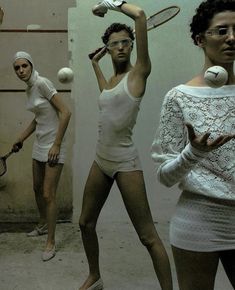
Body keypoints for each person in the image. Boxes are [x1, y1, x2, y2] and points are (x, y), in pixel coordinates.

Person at [78, 1, 173, 290]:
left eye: (125, 42)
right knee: (85, 223)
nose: (120, 47)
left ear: (132, 46)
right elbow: (108, 99)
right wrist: (95, 65)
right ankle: (95, 277)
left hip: (124, 163)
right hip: (101, 159)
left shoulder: (138, 74)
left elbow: (141, 15)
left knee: (148, 236)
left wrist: (110, 4)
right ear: (107, 48)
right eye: (114, 43)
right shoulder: (113, 81)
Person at [151, 0, 235, 289]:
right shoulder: (178, 97)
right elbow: (165, 176)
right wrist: (194, 152)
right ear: (200, 39)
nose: (232, 38)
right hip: (199, 222)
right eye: (221, 31)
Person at [12, 51, 71, 261]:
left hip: (54, 146)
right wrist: (22, 137)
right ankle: (43, 224)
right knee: (37, 187)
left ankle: (51, 242)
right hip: (39, 144)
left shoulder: (42, 83)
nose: (21, 71)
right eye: (17, 68)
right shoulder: (30, 88)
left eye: (24, 66)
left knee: (48, 194)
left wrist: (56, 144)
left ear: (31, 65)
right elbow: (39, 118)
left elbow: (65, 112)